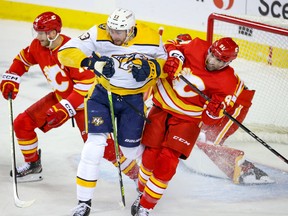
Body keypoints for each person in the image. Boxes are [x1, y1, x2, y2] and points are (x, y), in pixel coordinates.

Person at [0, 11, 139, 183]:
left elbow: (87, 85)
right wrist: (11, 77)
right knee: (22, 124)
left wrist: (66, 107)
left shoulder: (70, 50)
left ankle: (138, 177)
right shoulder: (38, 46)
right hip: (60, 98)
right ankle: (33, 165)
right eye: (37, 32)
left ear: (53, 33)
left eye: (42, 33)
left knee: (106, 150)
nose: (38, 36)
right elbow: (22, 60)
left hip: (88, 104)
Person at [57, 8, 167, 216]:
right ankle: (83, 202)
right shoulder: (99, 32)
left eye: (119, 31)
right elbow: (65, 52)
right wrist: (91, 62)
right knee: (94, 145)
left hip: (133, 100)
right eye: (111, 30)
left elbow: (167, 64)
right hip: (102, 95)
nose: (113, 35)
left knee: (130, 151)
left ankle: (143, 185)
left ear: (131, 29)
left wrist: (152, 68)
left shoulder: (151, 37)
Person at [131, 37, 246, 215]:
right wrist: (176, 58)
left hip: (188, 120)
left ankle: (146, 206)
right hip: (161, 107)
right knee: (150, 155)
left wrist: (214, 111)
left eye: (220, 60)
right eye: (212, 55)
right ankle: (141, 191)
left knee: (167, 162)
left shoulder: (229, 83)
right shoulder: (196, 45)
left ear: (230, 62)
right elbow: (170, 45)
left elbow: (210, 120)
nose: (212, 61)